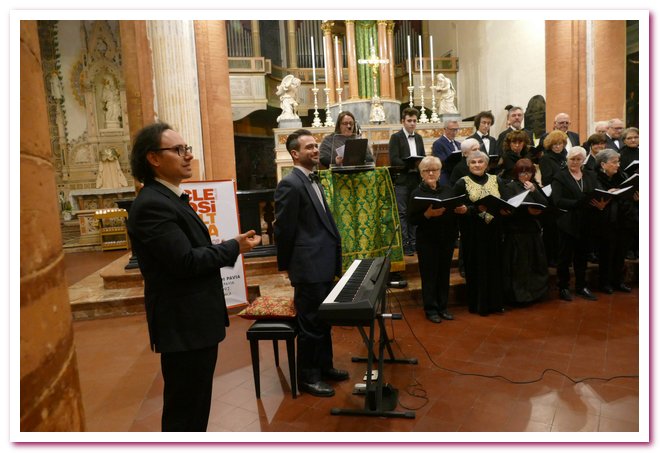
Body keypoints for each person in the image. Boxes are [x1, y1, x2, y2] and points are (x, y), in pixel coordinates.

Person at [127, 122, 261, 431]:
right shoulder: (152, 205)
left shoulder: (170, 198)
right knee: (184, 412)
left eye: (187, 148)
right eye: (178, 150)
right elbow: (185, 261)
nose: (187, 156)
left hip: (194, 320)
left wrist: (228, 247)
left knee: (195, 405)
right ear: (153, 158)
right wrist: (233, 247)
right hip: (182, 324)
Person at [274, 129, 348, 398]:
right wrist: (289, 266)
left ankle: (325, 366)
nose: (315, 150)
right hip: (308, 266)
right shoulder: (290, 184)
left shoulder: (314, 179)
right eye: (308, 147)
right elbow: (284, 229)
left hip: (323, 263)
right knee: (310, 325)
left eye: (316, 146)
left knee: (323, 321)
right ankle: (308, 376)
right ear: (295, 154)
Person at [453, 150, 510, 316]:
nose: (477, 165)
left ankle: (496, 303)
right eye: (473, 162)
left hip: (494, 231)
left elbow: (505, 201)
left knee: (495, 267)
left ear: (486, 164)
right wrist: (475, 209)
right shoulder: (461, 183)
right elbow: (458, 207)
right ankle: (479, 305)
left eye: (480, 162)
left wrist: (506, 211)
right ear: (468, 164)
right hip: (473, 233)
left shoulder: (496, 179)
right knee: (476, 269)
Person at [408, 156, 462, 323]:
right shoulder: (416, 193)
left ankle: (443, 307)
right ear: (421, 174)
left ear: (440, 172)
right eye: (426, 170)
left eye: (435, 170)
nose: (431, 173)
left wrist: (459, 210)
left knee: (443, 273)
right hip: (427, 241)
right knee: (429, 275)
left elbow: (453, 211)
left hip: (446, 238)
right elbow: (411, 219)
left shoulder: (448, 190)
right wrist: (427, 215)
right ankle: (430, 309)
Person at [551, 146, 608, 302]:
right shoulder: (560, 176)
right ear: (567, 160)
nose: (575, 162)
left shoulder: (590, 175)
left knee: (582, 257)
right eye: (572, 159)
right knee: (564, 257)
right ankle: (563, 287)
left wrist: (601, 203)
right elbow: (557, 200)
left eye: (578, 159)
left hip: (585, 221)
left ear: (583, 160)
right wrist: (579, 203)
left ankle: (581, 286)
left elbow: (599, 193)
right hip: (567, 222)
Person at [500, 158, 549, 304]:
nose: (525, 176)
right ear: (516, 173)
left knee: (535, 265)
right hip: (517, 232)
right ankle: (519, 297)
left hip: (532, 232)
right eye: (522, 173)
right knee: (518, 267)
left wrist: (534, 191)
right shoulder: (510, 186)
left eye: (528, 172)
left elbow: (545, 204)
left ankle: (535, 294)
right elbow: (509, 207)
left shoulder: (535, 186)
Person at [593, 149, 636, 294]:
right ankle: (605, 283)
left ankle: (618, 281)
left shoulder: (622, 176)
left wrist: (635, 197)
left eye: (618, 161)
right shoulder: (595, 178)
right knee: (607, 253)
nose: (618, 165)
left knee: (620, 252)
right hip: (606, 221)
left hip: (624, 219)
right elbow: (594, 197)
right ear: (603, 164)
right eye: (614, 162)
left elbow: (629, 193)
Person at [389, 107, 423, 256]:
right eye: (409, 121)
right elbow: (394, 158)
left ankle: (415, 242)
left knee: (415, 211)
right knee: (402, 213)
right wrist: (409, 163)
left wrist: (420, 162)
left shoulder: (419, 138)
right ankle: (405, 243)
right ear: (403, 121)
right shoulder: (396, 137)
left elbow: (421, 155)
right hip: (402, 179)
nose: (412, 124)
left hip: (416, 179)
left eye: (414, 121)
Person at [431, 119, 460, 184]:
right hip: (446, 177)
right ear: (445, 129)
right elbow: (442, 163)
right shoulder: (438, 143)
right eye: (452, 129)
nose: (454, 132)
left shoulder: (458, 144)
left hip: (457, 177)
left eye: (456, 130)